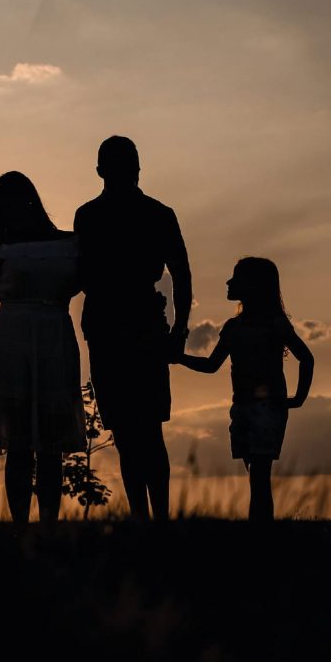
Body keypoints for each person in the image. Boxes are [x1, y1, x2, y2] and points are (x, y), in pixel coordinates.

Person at [73, 136, 192, 521]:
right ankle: (149, 519)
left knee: (139, 431)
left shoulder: (105, 215)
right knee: (132, 431)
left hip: (131, 327)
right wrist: (178, 329)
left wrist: (179, 330)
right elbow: (181, 276)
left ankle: (152, 518)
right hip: (120, 327)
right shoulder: (96, 215)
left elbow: (182, 274)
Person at [0, 171, 87, 525]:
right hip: (14, 345)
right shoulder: (1, 253)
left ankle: (42, 523)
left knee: (44, 444)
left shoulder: (70, 245)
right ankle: (23, 524)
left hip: (48, 341)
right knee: (22, 443)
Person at [176, 257, 314, 522]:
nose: (229, 282)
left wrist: (298, 398)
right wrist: (179, 357)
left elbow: (306, 358)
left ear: (255, 286)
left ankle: (259, 533)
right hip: (241, 407)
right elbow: (210, 365)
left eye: (236, 278)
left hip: (267, 407)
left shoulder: (274, 324)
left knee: (259, 477)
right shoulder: (232, 327)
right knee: (255, 474)